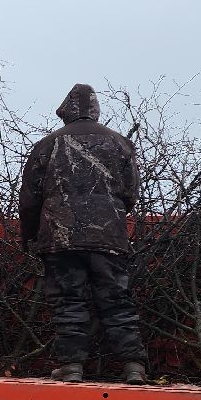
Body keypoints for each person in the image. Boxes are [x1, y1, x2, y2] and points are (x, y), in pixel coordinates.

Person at [19, 83, 149, 384]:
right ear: (95, 110)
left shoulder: (47, 145)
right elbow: (130, 195)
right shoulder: (120, 144)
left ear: (67, 111)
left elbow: (30, 200)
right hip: (109, 239)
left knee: (69, 301)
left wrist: (28, 235)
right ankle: (133, 366)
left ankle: (72, 367)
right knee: (117, 300)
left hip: (60, 238)